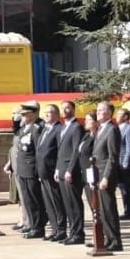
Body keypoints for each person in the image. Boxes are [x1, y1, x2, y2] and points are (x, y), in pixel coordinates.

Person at [93, 101, 123, 251]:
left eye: (102, 110)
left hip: (106, 174)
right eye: (97, 110)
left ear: (109, 113)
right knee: (103, 210)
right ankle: (107, 238)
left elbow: (112, 157)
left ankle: (115, 241)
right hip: (97, 173)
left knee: (109, 209)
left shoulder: (112, 129)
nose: (98, 112)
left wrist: (106, 177)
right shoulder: (100, 128)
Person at [13, 102, 44, 239]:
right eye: (22, 114)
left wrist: (38, 170)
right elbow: (16, 133)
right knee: (27, 200)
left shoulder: (37, 128)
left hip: (31, 169)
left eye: (25, 114)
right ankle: (32, 224)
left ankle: (38, 227)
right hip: (22, 169)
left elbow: (38, 151)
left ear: (33, 114)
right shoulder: (24, 129)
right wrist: (15, 120)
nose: (23, 117)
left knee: (34, 200)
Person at [56, 100, 85, 245]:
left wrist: (70, 169)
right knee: (67, 203)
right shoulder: (63, 127)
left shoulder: (76, 127)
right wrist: (57, 168)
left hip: (71, 171)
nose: (65, 110)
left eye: (67, 108)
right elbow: (60, 151)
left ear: (73, 109)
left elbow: (76, 151)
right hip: (61, 169)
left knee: (74, 203)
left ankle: (78, 233)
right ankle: (72, 232)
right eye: (63, 108)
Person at [36, 104, 65, 241]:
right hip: (43, 171)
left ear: (57, 115)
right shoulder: (45, 129)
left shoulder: (59, 129)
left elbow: (60, 151)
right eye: (45, 112)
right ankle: (54, 229)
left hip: (52, 170)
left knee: (56, 201)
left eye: (50, 112)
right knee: (48, 203)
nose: (47, 115)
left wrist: (58, 168)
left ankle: (61, 229)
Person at [116, 108, 130, 219]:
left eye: (119, 114)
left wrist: (126, 161)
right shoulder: (117, 128)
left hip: (125, 163)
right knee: (122, 188)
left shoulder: (129, 128)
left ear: (125, 117)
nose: (117, 116)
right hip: (118, 162)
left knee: (128, 188)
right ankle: (126, 210)